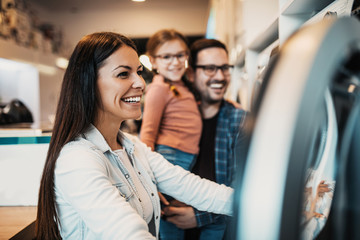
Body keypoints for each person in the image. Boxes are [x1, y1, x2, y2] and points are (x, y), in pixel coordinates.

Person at [35, 32, 234, 240]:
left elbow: (194, 188)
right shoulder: (78, 159)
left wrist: (256, 203)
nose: (140, 83)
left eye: (138, 72)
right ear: (88, 83)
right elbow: (130, 234)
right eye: (123, 74)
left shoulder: (133, 147)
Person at [161, 39, 247, 240]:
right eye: (210, 68)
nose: (220, 76)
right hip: (168, 225)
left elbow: (244, 190)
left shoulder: (239, 120)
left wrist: (199, 216)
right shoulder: (173, 115)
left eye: (225, 68)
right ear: (190, 74)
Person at [139, 29, 202, 239]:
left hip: (182, 158)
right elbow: (147, 135)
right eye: (166, 56)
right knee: (171, 219)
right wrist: (147, 180)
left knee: (176, 216)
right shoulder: (159, 88)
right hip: (170, 157)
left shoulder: (181, 84)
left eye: (180, 55)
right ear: (153, 61)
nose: (175, 62)